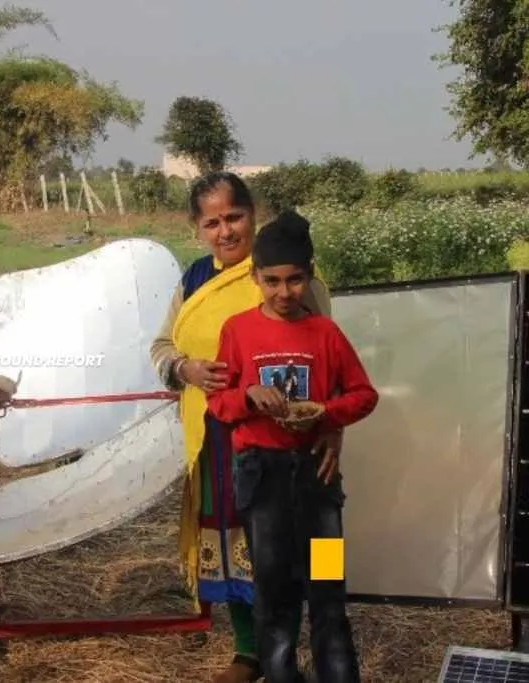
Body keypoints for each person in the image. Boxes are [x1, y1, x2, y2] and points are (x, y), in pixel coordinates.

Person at [149, 171, 342, 683]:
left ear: (252, 214)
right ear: (198, 229)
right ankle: (254, 651)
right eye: (212, 222)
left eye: (234, 217)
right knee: (236, 542)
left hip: (298, 442)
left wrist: (331, 426)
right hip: (221, 438)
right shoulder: (194, 280)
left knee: (316, 545)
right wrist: (186, 368)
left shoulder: (290, 273)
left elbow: (335, 367)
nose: (225, 231)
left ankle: (330, 642)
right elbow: (162, 347)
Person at [206, 209, 378, 682]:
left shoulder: (325, 333)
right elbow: (218, 402)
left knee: (327, 588)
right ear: (256, 278)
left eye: (295, 280)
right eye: (272, 281)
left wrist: (327, 415)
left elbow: (364, 395)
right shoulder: (238, 331)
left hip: (317, 482)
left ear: (309, 274)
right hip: (262, 480)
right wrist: (246, 396)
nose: (284, 293)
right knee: (274, 589)